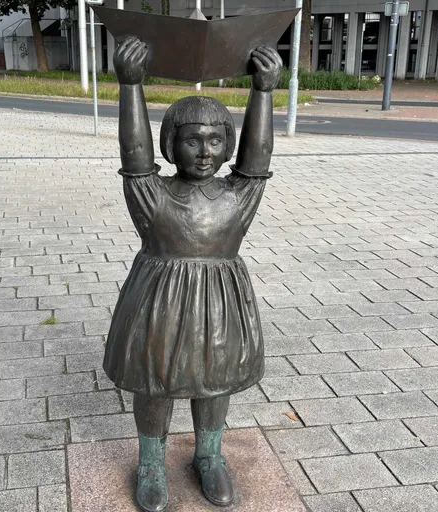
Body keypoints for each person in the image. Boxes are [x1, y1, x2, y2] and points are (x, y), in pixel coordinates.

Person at [104, 38, 283, 512]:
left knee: (215, 380)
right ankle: (150, 462)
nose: (204, 151)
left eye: (215, 140)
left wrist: (263, 91)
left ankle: (209, 455)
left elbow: (259, 157)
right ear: (171, 143)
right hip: (159, 299)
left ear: (228, 146)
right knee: (155, 381)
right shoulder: (152, 196)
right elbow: (134, 151)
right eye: (191, 140)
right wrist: (130, 85)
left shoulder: (238, 196)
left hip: (220, 300)